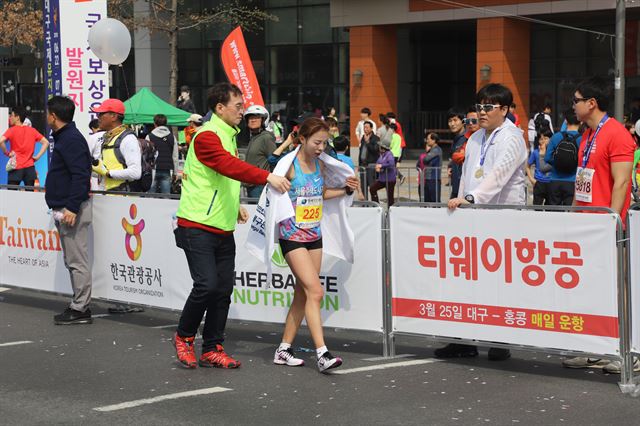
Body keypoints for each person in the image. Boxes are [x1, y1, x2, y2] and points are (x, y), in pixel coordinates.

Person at [172, 82, 290, 369]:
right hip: (196, 224)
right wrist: (266, 177)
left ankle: (212, 347)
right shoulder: (207, 135)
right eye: (238, 106)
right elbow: (226, 165)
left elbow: (221, 176)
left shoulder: (227, 134)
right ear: (220, 108)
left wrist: (234, 204)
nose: (243, 111)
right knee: (206, 285)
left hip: (221, 226)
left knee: (223, 289)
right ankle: (184, 337)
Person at [440, 83, 528, 361]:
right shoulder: (476, 137)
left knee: (500, 281)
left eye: (488, 107)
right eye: (479, 106)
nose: (482, 112)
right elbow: (468, 172)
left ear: (504, 109)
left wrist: (472, 197)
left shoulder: (512, 137)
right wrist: (462, 198)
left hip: (502, 218)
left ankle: (500, 339)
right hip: (474, 216)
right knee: (466, 279)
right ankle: (463, 339)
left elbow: (499, 175)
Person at [561, 76, 636, 373]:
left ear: (592, 103)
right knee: (594, 289)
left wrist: (611, 223)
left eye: (576, 100)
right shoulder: (586, 135)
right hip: (588, 226)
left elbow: (621, 183)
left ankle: (631, 352)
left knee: (622, 288)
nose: (573, 105)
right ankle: (597, 348)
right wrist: (573, 216)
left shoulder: (616, 134)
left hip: (610, 226)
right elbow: (584, 182)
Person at [272, 117, 359, 373]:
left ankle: (284, 349)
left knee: (303, 293)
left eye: (325, 142)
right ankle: (322, 354)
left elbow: (320, 194)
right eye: (317, 142)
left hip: (314, 236)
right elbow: (270, 183)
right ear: (302, 139)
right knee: (316, 292)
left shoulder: (320, 165)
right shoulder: (288, 166)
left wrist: (345, 190)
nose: (321, 147)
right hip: (292, 236)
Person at [44, 96, 93, 325]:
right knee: (73, 259)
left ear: (53, 115)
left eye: (47, 113)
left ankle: (81, 307)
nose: (46, 117)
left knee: (76, 260)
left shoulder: (70, 139)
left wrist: (72, 207)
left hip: (71, 208)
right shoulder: (67, 137)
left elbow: (81, 174)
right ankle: (79, 304)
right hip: (65, 206)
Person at [90, 99, 142, 192]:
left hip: (121, 200)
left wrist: (108, 173)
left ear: (114, 116)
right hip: (107, 197)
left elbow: (135, 172)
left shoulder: (128, 139)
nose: (98, 117)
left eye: (101, 114)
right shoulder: (109, 137)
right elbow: (104, 172)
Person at [0, 105, 49, 187]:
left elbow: (1, 141)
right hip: (30, 168)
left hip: (15, 167)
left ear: (17, 117)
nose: (10, 118)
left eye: (11, 115)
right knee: (30, 195)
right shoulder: (32, 131)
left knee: (11, 195)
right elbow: (46, 142)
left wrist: (7, 153)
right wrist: (37, 157)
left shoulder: (11, 130)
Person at [542, 110, 582, 206]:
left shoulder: (556, 137)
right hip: (572, 181)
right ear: (581, 122)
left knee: (554, 214)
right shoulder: (582, 139)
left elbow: (547, 158)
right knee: (570, 213)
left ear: (566, 121)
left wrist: (558, 162)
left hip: (555, 180)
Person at [244, 105, 277, 198]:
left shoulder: (266, 137)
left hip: (259, 186)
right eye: (250, 117)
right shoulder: (254, 137)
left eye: (256, 117)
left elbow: (274, 160)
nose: (252, 120)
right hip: (251, 184)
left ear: (263, 120)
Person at [147, 114, 177, 194]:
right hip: (167, 169)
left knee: (150, 198)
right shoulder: (172, 137)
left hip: (152, 170)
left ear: (154, 123)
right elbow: (175, 156)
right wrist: (175, 172)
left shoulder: (149, 137)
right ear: (166, 123)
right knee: (166, 197)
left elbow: (146, 156)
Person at [527, 128, 553, 205]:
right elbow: (527, 166)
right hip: (539, 182)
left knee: (550, 209)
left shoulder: (553, 152)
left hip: (550, 183)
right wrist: (531, 179)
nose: (543, 141)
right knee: (537, 208)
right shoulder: (535, 153)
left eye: (546, 138)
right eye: (541, 139)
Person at [447, 107, 467, 199]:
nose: (452, 124)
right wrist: (451, 166)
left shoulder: (467, 138)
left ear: (463, 121)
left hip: (464, 188)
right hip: (456, 186)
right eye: (450, 121)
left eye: (455, 120)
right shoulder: (456, 139)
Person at [369, 138, 397, 206]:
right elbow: (378, 163)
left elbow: (391, 164)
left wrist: (381, 166)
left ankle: (390, 211)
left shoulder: (389, 154)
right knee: (372, 189)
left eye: (380, 146)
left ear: (383, 147)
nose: (378, 147)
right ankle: (377, 206)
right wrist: (377, 167)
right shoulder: (382, 155)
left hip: (390, 180)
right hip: (382, 179)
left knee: (390, 198)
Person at [417, 132, 442, 202]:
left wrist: (426, 159)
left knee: (434, 200)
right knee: (427, 200)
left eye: (428, 139)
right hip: (428, 178)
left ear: (434, 140)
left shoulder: (436, 150)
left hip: (433, 178)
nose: (426, 141)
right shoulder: (431, 150)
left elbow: (425, 159)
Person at [358, 120, 380, 196]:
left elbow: (375, 150)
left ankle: (374, 204)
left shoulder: (376, 138)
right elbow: (360, 152)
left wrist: (368, 143)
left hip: (371, 165)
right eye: (364, 128)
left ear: (371, 128)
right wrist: (359, 164)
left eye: (367, 127)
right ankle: (365, 204)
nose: (365, 129)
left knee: (372, 186)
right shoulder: (363, 138)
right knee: (363, 186)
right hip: (363, 165)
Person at [86, 119, 104, 191]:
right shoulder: (111, 134)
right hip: (112, 171)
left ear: (93, 128)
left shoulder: (93, 137)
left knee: (97, 196)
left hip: (97, 172)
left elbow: (87, 154)